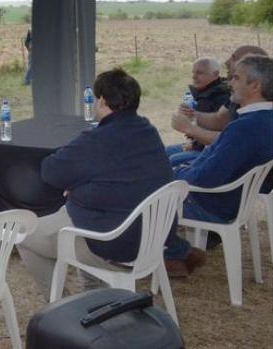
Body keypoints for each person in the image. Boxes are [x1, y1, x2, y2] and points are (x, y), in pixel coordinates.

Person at [15, 69, 189, 299]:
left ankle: (60, 305)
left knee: (23, 236)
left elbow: (50, 171)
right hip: (151, 241)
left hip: (113, 244)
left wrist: (76, 188)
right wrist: (81, 188)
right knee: (70, 213)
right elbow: (119, 179)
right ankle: (94, 295)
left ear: (102, 101)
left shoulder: (97, 139)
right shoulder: (148, 131)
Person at [164, 55, 273, 272]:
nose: (229, 82)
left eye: (236, 78)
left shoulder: (244, 128)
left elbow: (205, 179)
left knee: (141, 192)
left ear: (255, 86)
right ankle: (173, 251)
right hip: (234, 202)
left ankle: (173, 254)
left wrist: (174, 175)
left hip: (211, 205)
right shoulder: (267, 119)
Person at [171, 45, 268, 148]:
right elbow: (219, 119)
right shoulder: (237, 96)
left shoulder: (258, 110)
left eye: (234, 57)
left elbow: (232, 141)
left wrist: (190, 129)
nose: (227, 61)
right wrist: (191, 114)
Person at [166, 57, 231, 168]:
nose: (194, 76)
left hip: (210, 150)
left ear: (215, 74)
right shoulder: (205, 93)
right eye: (193, 72)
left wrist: (195, 144)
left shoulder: (221, 97)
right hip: (199, 144)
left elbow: (221, 135)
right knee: (164, 151)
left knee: (172, 160)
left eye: (199, 73)